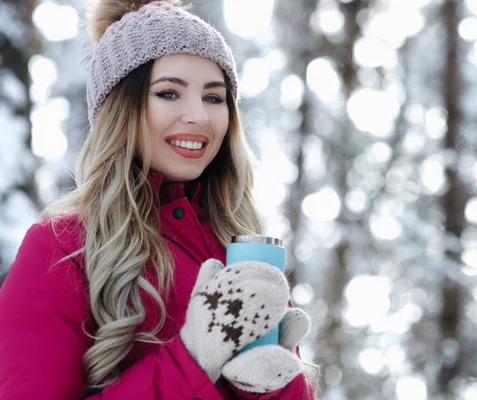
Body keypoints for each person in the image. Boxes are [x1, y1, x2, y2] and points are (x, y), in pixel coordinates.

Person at [0, 0, 319, 398]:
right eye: (169, 93)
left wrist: (273, 387)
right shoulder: (62, 247)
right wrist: (192, 358)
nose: (199, 117)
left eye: (214, 98)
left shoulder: (238, 249)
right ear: (121, 108)